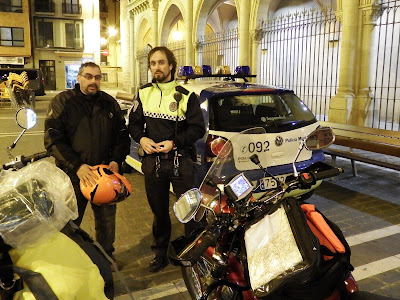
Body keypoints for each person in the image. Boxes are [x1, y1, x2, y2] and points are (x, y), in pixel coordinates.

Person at [44, 62, 130, 268]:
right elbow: (53, 139)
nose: (93, 81)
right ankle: (69, 263)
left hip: (104, 175)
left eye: (97, 77)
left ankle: (106, 259)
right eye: (89, 76)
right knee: (70, 223)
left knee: (107, 223)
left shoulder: (109, 103)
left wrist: (116, 160)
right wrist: (77, 166)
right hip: (74, 175)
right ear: (79, 78)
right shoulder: (62, 102)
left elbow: (122, 135)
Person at [128, 46, 206, 273]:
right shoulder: (143, 93)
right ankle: (160, 254)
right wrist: (141, 139)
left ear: (171, 65)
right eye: (153, 63)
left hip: (180, 160)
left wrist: (175, 142)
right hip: (153, 163)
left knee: (190, 211)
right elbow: (133, 124)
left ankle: (194, 255)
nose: (157, 67)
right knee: (159, 212)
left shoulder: (187, 94)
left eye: (161, 63)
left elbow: (197, 129)